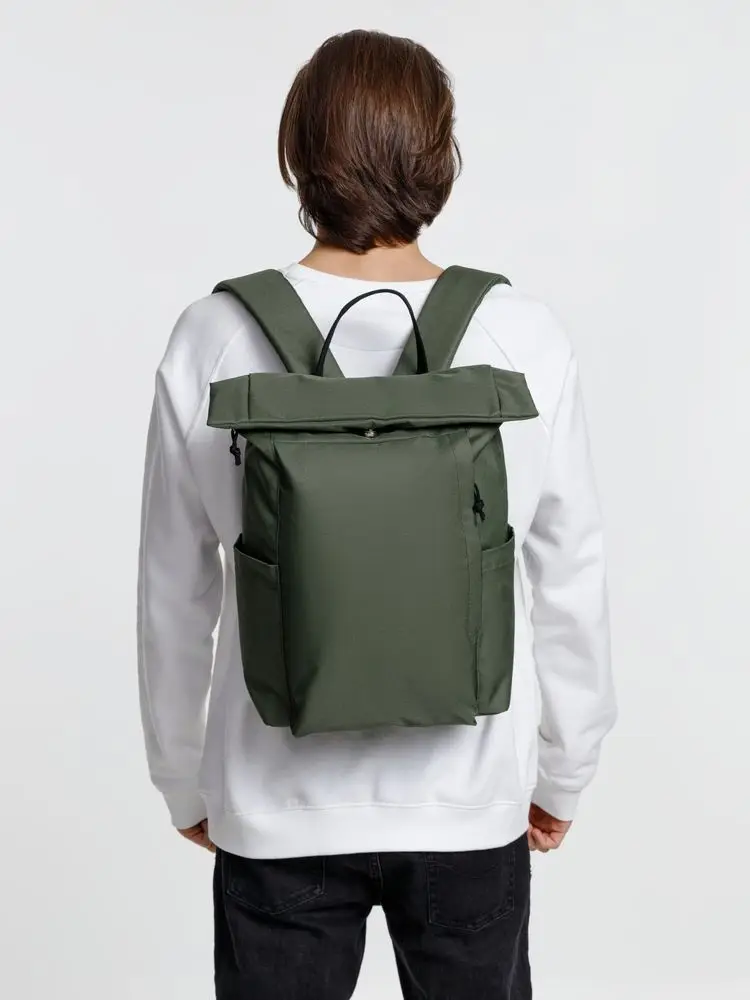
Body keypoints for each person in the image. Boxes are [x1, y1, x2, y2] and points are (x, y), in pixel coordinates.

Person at [137, 28, 616, 1000]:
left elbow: (174, 592)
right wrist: (565, 770)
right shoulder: (520, 334)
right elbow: (569, 573)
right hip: (468, 807)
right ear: (440, 157)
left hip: (275, 806)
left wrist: (184, 778)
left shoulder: (213, 335)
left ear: (297, 151)